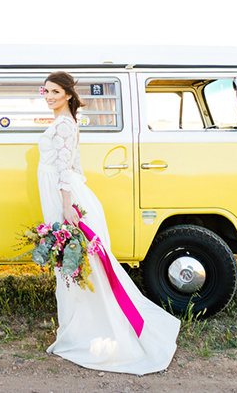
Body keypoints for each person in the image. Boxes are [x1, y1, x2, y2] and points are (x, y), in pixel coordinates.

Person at [38, 71, 180, 375]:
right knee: (74, 263)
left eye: (54, 92)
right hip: (63, 193)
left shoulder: (64, 124)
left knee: (74, 263)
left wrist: (67, 205)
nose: (48, 96)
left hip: (63, 198)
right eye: (45, 91)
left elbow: (65, 168)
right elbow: (76, 167)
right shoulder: (66, 123)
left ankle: (84, 330)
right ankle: (78, 326)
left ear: (66, 95)